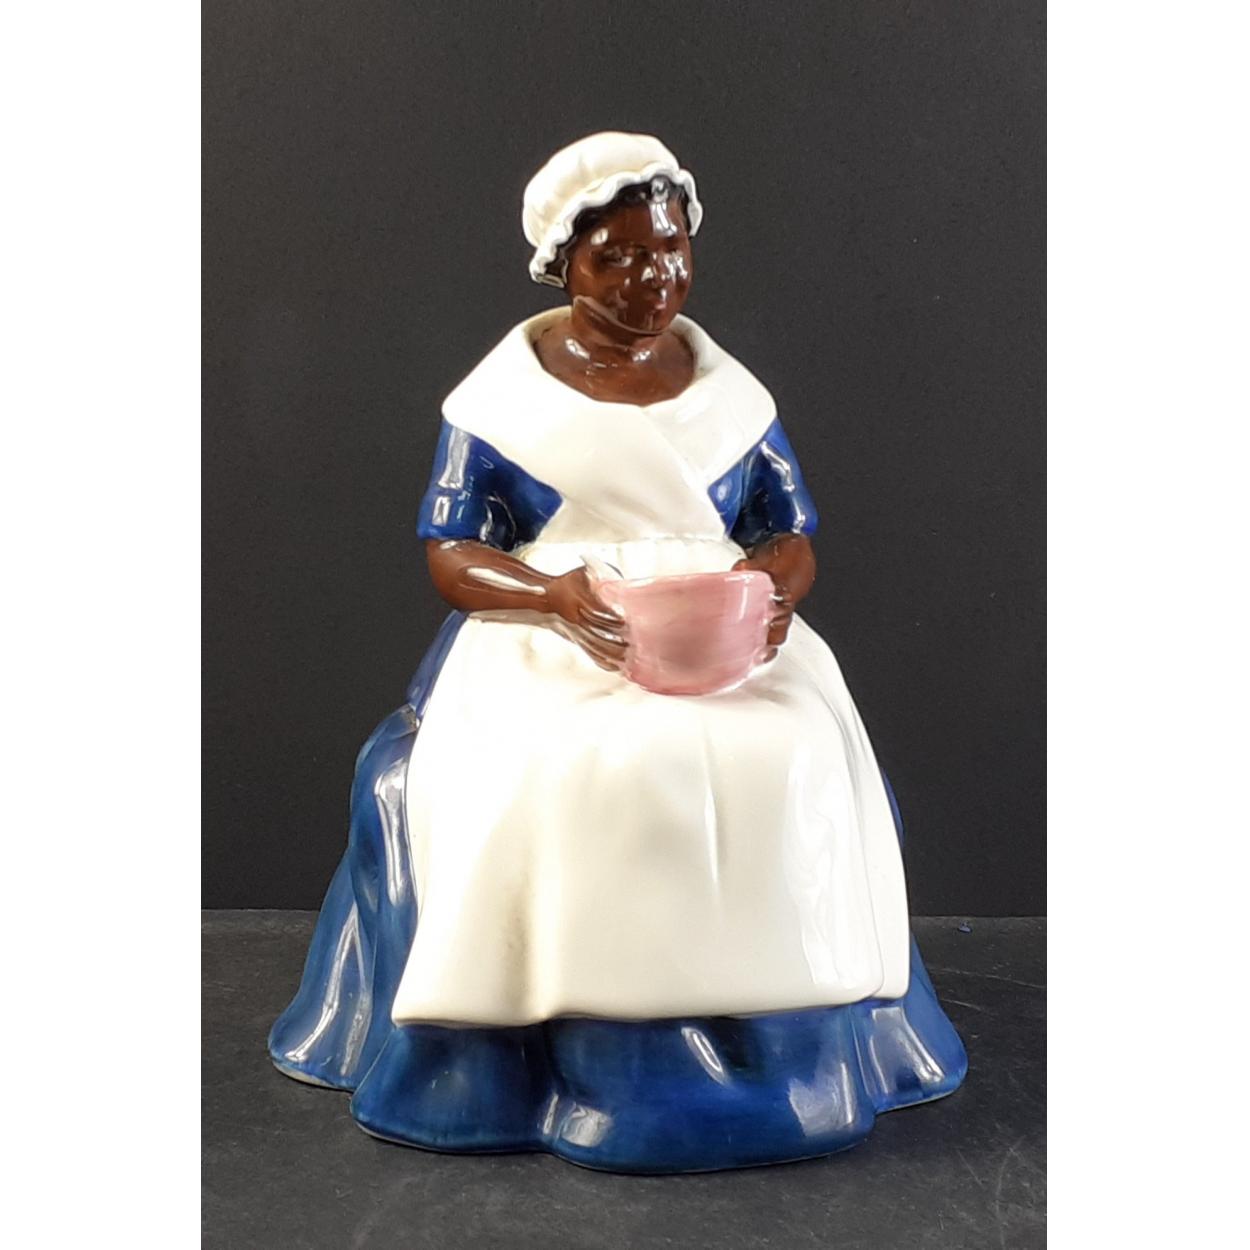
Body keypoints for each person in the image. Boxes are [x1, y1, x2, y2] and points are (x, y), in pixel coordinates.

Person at [269, 132, 966, 1173]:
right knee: (576, 772)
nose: (654, 276)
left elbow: (788, 530)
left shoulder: (730, 396)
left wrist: (771, 589)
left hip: (723, 632)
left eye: (671, 249)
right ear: (563, 262)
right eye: (621, 257)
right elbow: (453, 552)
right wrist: (551, 597)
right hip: (556, 636)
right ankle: (576, 1032)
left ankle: (802, 1027)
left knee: (804, 750)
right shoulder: (501, 404)